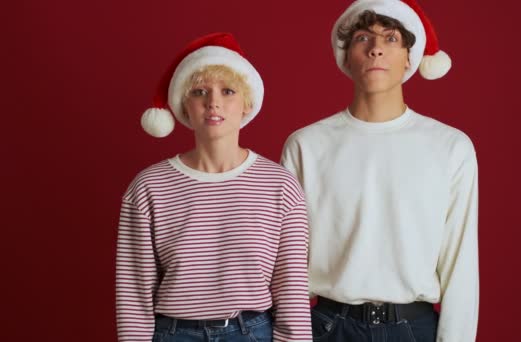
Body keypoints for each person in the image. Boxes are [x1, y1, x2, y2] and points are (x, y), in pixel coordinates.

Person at [280, 1, 479, 341]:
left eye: (391, 39)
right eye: (362, 39)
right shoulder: (305, 147)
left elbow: (460, 264)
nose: (376, 50)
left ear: (409, 57)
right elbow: (286, 265)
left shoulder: (450, 147)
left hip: (413, 327)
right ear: (346, 55)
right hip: (329, 325)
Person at [116, 32, 312, 342]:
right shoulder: (149, 187)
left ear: (247, 103)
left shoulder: (280, 185)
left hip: (253, 332)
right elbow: (133, 293)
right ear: (184, 104)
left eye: (228, 90)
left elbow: (291, 289)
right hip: (173, 333)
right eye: (199, 92)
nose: (213, 102)